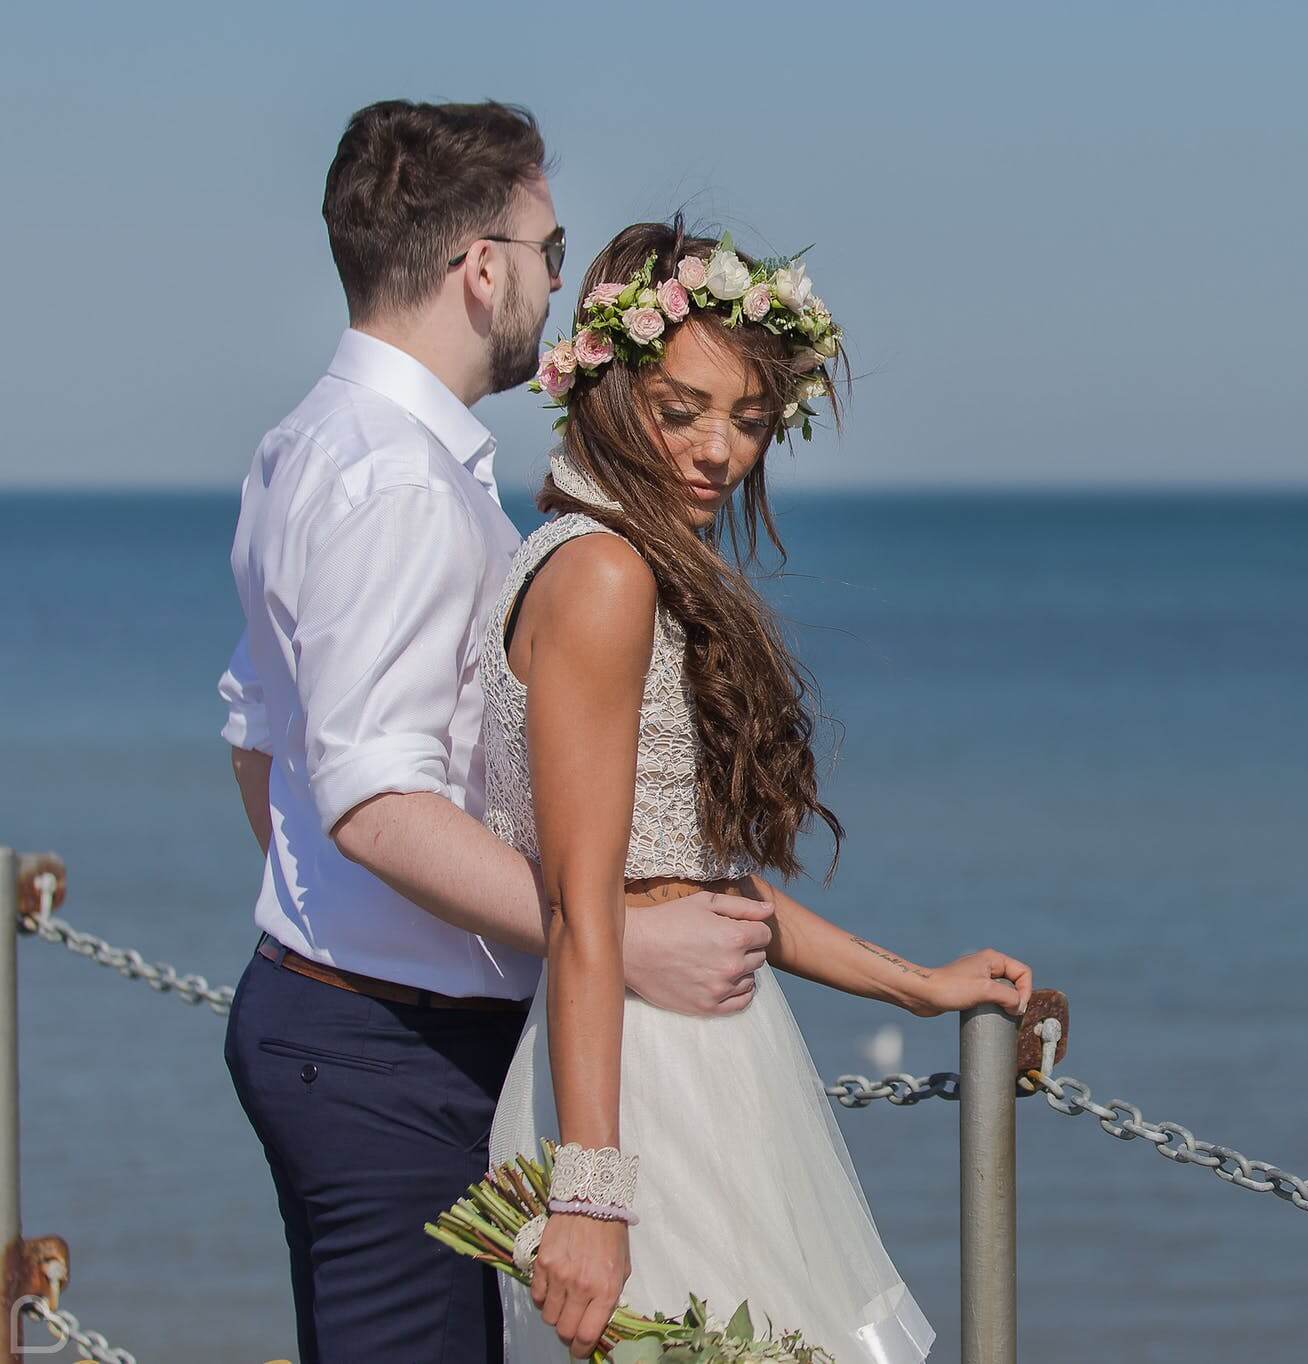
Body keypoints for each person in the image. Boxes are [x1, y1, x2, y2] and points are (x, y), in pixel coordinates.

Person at [218, 102, 778, 1364]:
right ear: (482, 268)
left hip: (340, 1015)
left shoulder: (308, 442)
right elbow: (372, 802)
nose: (555, 279)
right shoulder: (398, 482)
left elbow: (259, 734)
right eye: (546, 244)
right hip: (388, 1046)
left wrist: (322, 935)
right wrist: (619, 937)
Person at [484, 218, 1035, 1363]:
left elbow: (695, 882)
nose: (717, 451)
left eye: (746, 419)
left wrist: (917, 987)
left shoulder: (613, 558)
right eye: (679, 408)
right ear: (602, 385)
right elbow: (585, 906)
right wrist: (591, 1193)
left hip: (694, 1058)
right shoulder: (601, 574)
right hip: (641, 1084)